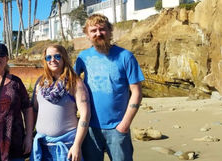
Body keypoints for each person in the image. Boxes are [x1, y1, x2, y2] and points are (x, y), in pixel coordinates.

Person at [74, 14, 144, 161]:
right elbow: (70, 84)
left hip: (117, 128)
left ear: (110, 31)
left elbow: (136, 93)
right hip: (90, 128)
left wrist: (124, 124)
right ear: (87, 34)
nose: (98, 33)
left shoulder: (126, 56)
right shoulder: (83, 57)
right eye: (93, 31)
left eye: (102, 29)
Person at [30, 44, 91, 161]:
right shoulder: (41, 82)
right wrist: (29, 136)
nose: (52, 60)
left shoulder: (75, 83)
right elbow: (34, 110)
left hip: (67, 146)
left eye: (57, 56)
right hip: (42, 146)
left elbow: (85, 115)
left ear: (64, 58)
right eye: (48, 57)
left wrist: (77, 145)